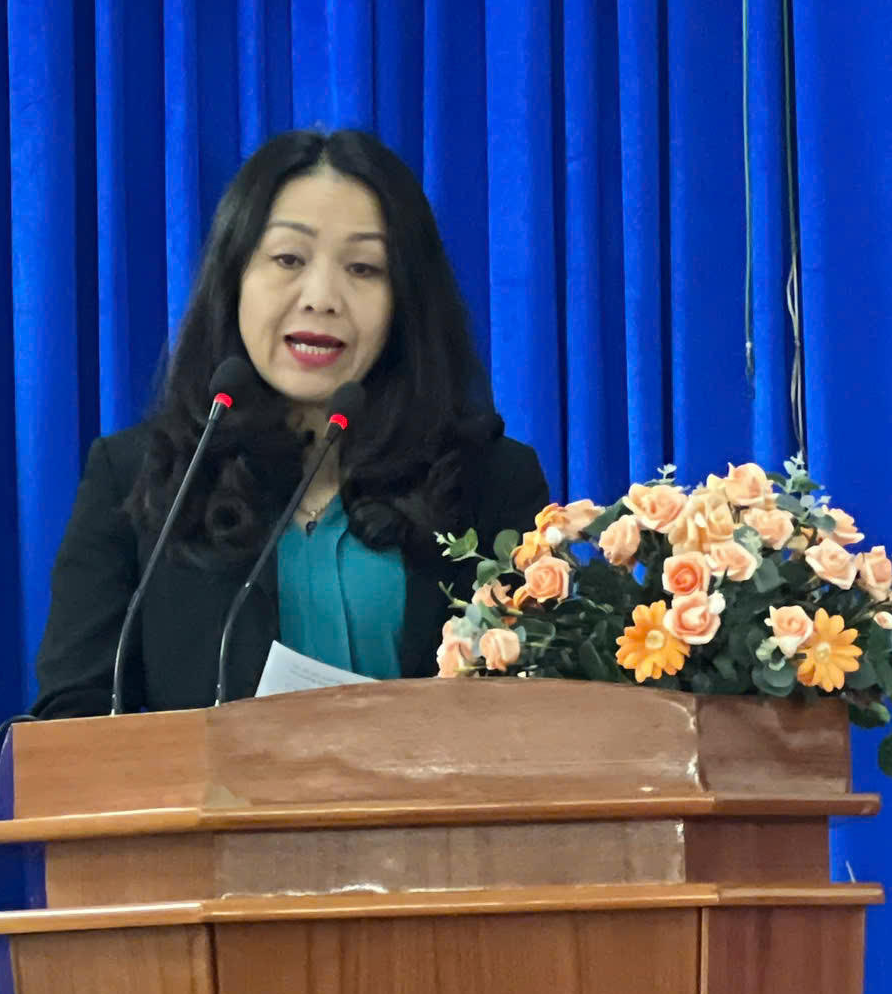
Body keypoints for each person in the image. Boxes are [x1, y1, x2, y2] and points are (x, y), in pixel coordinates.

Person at [29, 128, 549, 717]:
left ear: (405, 301)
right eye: (288, 259)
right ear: (234, 279)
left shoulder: (490, 480)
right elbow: (72, 716)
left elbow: (538, 718)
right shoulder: (136, 478)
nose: (321, 297)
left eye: (364, 268)